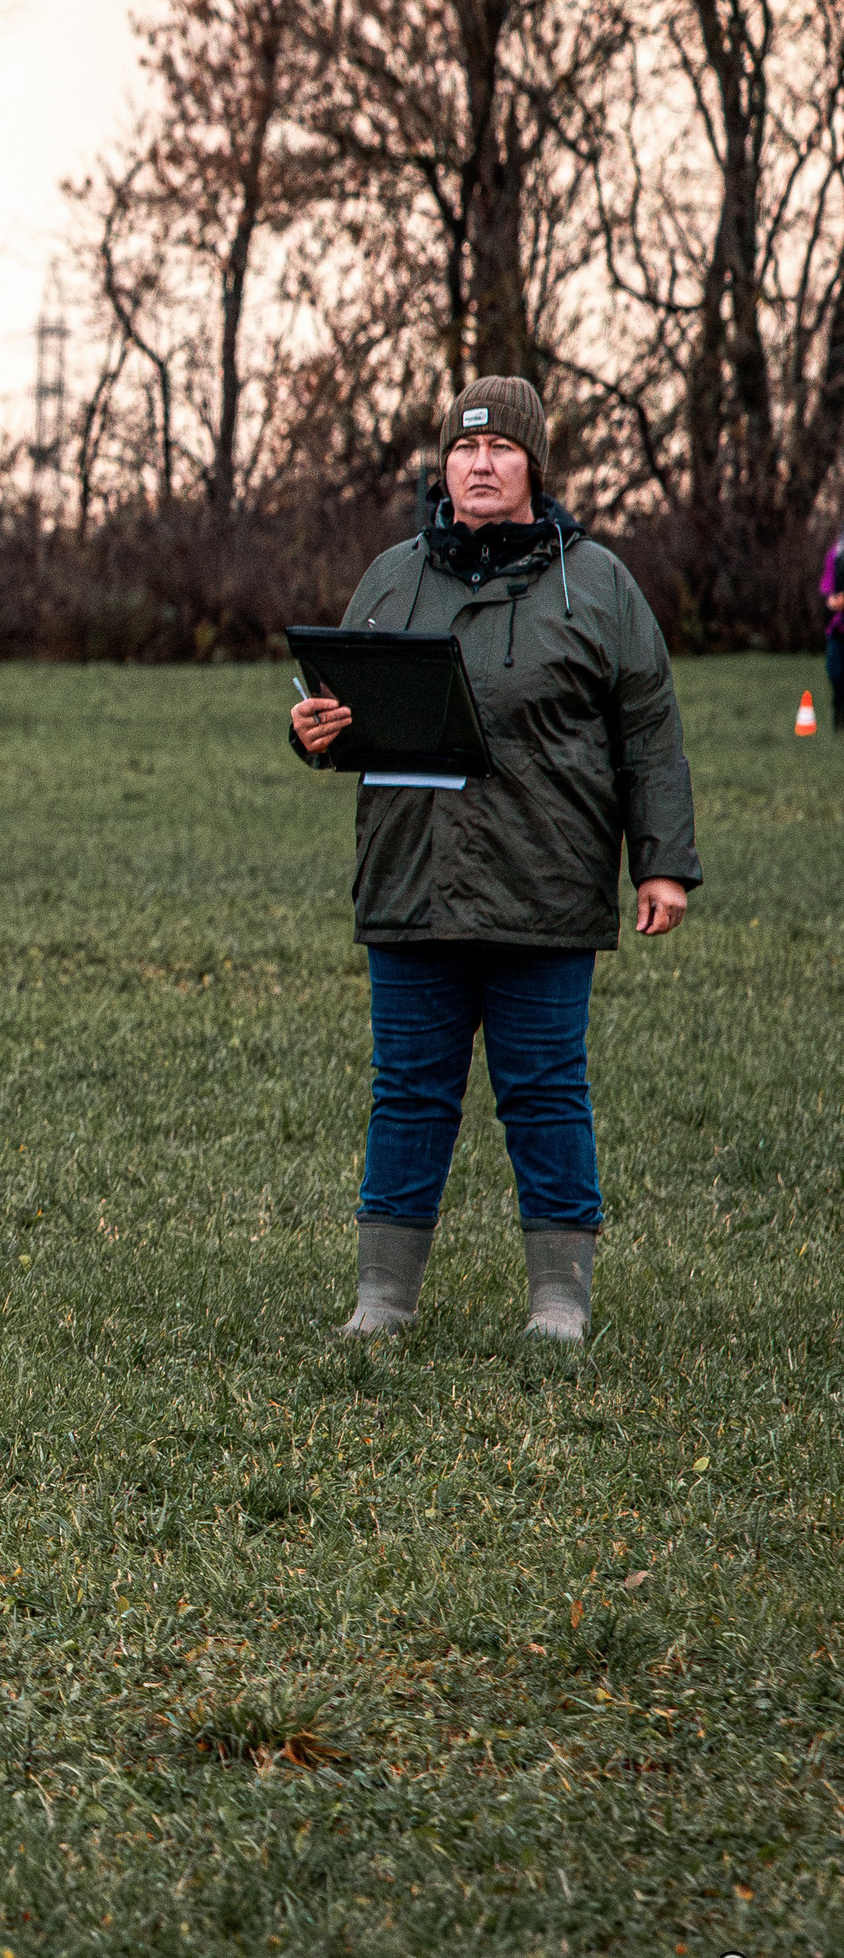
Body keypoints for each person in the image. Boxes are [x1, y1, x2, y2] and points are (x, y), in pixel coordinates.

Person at [289, 376, 701, 1343]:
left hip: (545, 882)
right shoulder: (391, 575)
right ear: (445, 465)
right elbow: (343, 711)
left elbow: (649, 726)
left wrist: (663, 861)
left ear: (533, 467)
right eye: (465, 450)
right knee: (408, 1093)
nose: (480, 464)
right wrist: (312, 731)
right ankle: (381, 1303)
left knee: (547, 1091)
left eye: (501, 450)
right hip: (412, 882)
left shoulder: (595, 582)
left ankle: (560, 1303)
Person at [821, 526, 844, 719]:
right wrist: (832, 599)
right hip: (838, 628)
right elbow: (827, 585)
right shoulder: (835, 555)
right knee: (835, 672)